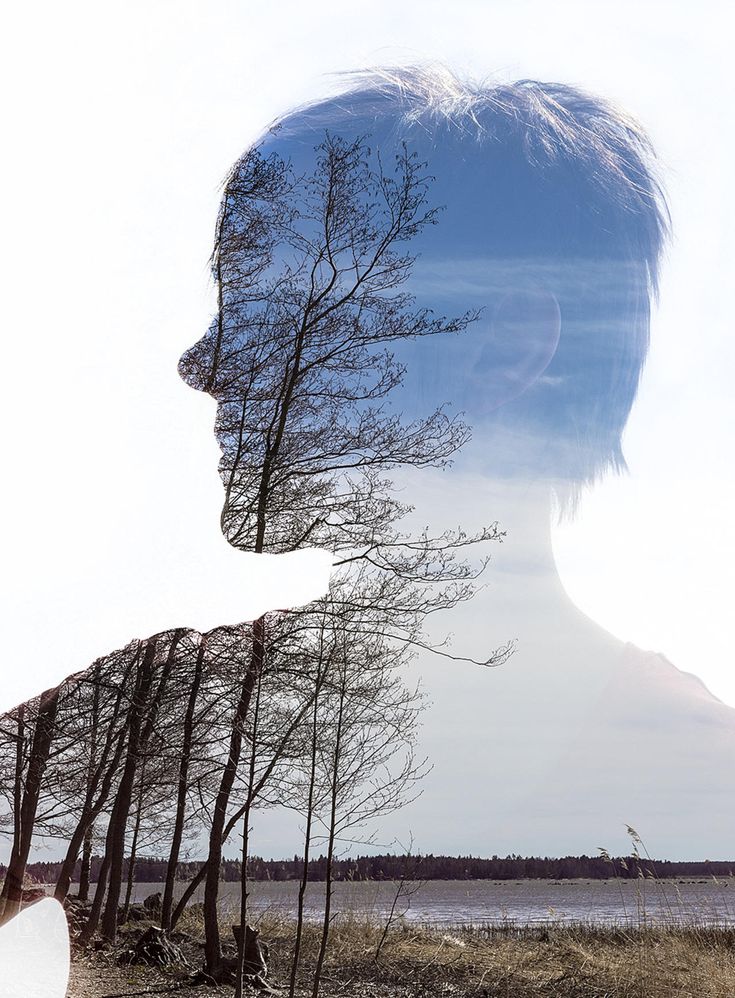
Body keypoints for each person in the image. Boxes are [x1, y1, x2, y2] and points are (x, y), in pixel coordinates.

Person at [180, 64, 735, 858]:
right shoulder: (164, 730)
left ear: (502, 352)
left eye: (271, 311)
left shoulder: (698, 782)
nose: (202, 364)